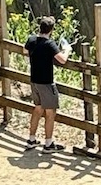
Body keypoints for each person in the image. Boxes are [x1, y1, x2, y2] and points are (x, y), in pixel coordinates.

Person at [23, 15, 70, 152]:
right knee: (50, 113)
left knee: (38, 109)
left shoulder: (31, 40)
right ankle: (48, 144)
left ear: (40, 27)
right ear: (51, 30)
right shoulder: (49, 44)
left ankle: (31, 140)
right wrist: (66, 50)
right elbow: (62, 60)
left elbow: (25, 51)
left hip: (34, 81)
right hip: (46, 83)